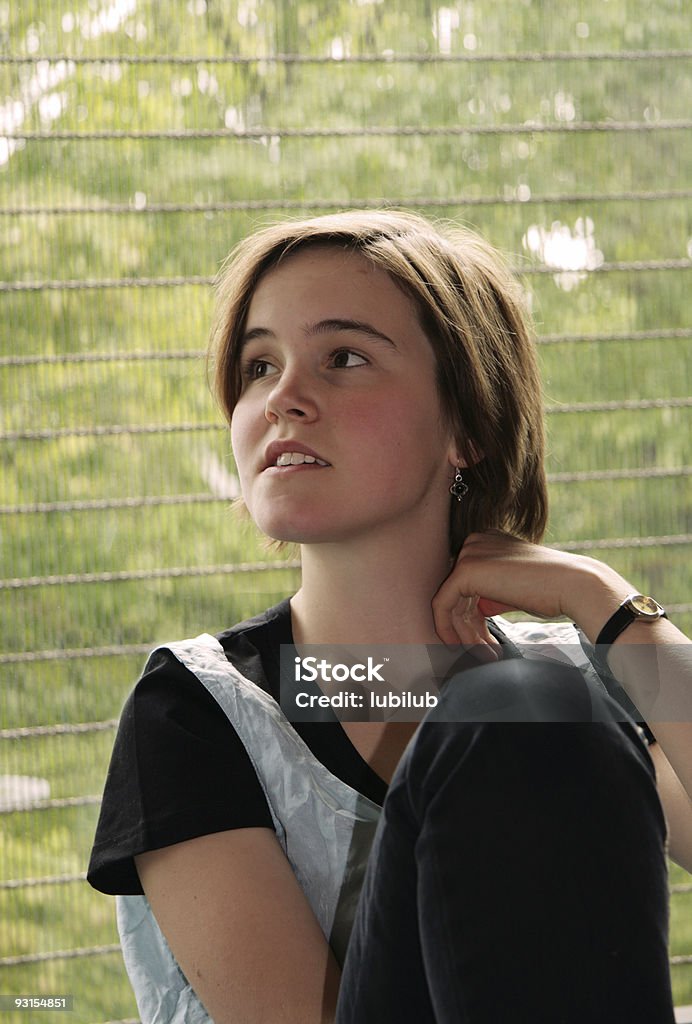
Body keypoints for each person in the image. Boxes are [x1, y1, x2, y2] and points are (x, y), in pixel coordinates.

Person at [87, 210, 692, 1023]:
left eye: (344, 357)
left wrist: (606, 603)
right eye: (259, 364)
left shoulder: (574, 691)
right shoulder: (196, 711)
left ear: (467, 425)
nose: (282, 399)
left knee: (532, 703)